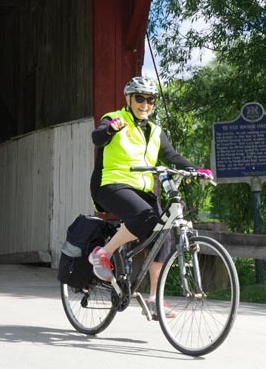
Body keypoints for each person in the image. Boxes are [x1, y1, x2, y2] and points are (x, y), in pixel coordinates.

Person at [89, 76, 213, 319]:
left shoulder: (156, 131)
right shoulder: (115, 118)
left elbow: (172, 157)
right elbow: (98, 137)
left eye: (150, 100)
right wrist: (110, 129)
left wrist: (198, 171)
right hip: (111, 185)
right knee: (145, 217)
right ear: (129, 99)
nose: (145, 104)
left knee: (164, 231)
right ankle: (102, 253)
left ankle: (156, 299)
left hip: (142, 189)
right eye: (139, 98)